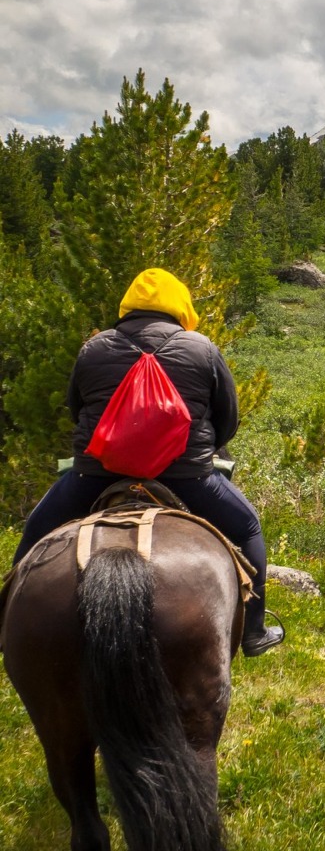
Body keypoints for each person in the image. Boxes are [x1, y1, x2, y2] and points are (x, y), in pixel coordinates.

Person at [10, 268, 284, 656]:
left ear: (129, 306)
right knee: (248, 526)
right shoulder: (202, 348)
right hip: (186, 476)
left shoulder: (95, 347)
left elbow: (77, 408)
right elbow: (228, 418)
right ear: (180, 306)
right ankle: (254, 631)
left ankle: (7, 621)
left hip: (97, 473)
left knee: (37, 526)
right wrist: (202, 452)